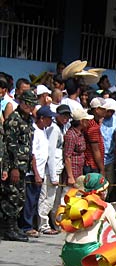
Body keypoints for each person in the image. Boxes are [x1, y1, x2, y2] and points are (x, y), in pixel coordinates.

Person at [56, 173, 116, 266]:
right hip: (89, 253)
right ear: (103, 191)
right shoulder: (106, 206)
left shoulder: (75, 203)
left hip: (67, 252)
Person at [1, 89, 36, 241]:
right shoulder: (14, 120)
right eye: (28, 104)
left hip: (23, 165)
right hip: (14, 165)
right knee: (11, 196)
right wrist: (13, 167)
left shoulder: (27, 119)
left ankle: (14, 227)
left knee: (19, 197)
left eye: (32, 105)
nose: (31, 108)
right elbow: (10, 146)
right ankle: (8, 229)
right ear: (21, 102)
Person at [20, 104, 53, 237]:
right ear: (42, 118)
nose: (51, 121)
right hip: (33, 173)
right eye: (49, 118)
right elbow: (32, 155)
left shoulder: (43, 130)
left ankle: (31, 225)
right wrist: (37, 174)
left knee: (34, 200)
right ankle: (26, 226)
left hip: (40, 170)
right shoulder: (34, 131)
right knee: (29, 200)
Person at [38, 103, 71, 234]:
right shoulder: (54, 130)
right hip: (51, 169)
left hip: (58, 168)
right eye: (63, 115)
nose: (65, 118)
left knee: (52, 199)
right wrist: (52, 175)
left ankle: (49, 223)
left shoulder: (61, 128)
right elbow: (51, 153)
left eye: (67, 116)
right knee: (47, 198)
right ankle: (43, 224)